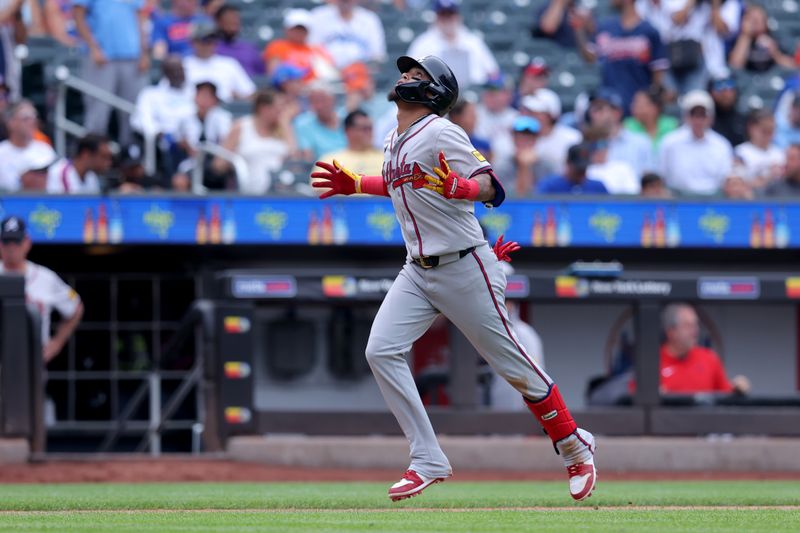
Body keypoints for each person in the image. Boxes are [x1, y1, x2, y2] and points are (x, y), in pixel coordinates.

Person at [312, 55, 597, 502]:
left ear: (434, 92)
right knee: (380, 350)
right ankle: (427, 459)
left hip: (465, 265)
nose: (406, 76)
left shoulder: (443, 131)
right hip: (417, 268)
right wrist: (358, 184)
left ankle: (573, 447)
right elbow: (398, 181)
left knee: (513, 366)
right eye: (407, 72)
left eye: (417, 75)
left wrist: (463, 188)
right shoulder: (394, 138)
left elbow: (492, 188)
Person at [0, 216, 84, 364]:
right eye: (7, 241)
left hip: (32, 359)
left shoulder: (46, 277)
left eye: (16, 241)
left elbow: (75, 307)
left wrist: (56, 344)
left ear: (27, 243)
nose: (12, 247)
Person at [73, 0, 149, 147]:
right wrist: (93, 47)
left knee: (134, 114)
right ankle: (92, 156)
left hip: (132, 57)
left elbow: (140, 18)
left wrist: (144, 52)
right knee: (98, 113)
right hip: (102, 58)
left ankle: (130, 158)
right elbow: (78, 16)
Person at [574, 0, 668, 115]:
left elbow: (658, 77)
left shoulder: (650, 31)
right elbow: (590, 58)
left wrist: (648, 104)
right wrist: (579, 29)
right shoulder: (606, 27)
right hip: (610, 103)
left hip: (638, 106)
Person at [213, 88, 294, 194]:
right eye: (278, 109)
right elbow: (219, 164)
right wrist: (235, 162)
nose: (282, 113)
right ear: (264, 108)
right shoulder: (241, 127)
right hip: (249, 191)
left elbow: (294, 156)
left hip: (282, 189)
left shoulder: (283, 128)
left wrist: (285, 125)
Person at [656, 303, 750, 394]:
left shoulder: (709, 358)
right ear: (671, 332)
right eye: (688, 326)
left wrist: (738, 388)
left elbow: (726, 395)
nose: (695, 331)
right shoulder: (652, 363)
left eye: (695, 325)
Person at [406, 0, 499, 89]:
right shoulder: (422, 43)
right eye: (443, 14)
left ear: (457, 16)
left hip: (473, 96)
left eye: (450, 14)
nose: (447, 19)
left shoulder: (473, 41)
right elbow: (408, 76)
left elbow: (493, 72)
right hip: (436, 96)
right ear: (436, 17)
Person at [658, 89, 733, 195]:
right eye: (693, 114)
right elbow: (662, 175)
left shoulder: (722, 145)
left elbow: (726, 179)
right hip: (678, 201)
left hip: (714, 201)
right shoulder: (670, 142)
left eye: (703, 115)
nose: (698, 120)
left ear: (711, 118)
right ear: (685, 116)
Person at [183, 22, 255, 102]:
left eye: (211, 41)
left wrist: (238, 96)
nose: (208, 44)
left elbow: (250, 93)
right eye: (204, 40)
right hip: (189, 111)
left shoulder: (229, 64)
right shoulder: (183, 65)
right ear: (192, 42)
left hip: (225, 111)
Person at [519, 88, 582, 178]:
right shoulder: (520, 138)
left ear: (551, 115)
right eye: (529, 112)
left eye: (536, 112)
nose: (530, 115)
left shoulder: (573, 138)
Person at [262, 8, 337, 84]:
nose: (299, 32)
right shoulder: (278, 46)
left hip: (316, 85)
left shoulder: (317, 49)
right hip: (290, 86)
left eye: (302, 29)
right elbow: (274, 73)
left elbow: (331, 73)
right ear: (287, 29)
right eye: (296, 29)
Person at [307, 0, 386, 69]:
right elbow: (312, 49)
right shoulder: (318, 16)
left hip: (360, 73)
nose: (345, 1)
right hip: (327, 72)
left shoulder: (370, 19)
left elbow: (376, 55)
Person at [0, 100, 57, 192]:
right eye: (26, 118)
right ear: (11, 123)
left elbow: (56, 187)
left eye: (34, 118)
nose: (32, 122)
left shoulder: (45, 150)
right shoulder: (1, 153)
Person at [728, 3, 795, 72]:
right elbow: (735, 66)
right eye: (751, 20)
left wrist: (775, 54)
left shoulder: (775, 37)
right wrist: (746, 36)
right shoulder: (737, 37)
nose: (754, 24)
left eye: (758, 20)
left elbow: (793, 66)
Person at [318, 109, 383, 178]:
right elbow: (320, 187)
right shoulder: (330, 160)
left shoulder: (385, 157)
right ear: (348, 131)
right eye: (364, 128)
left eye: (370, 128)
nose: (369, 132)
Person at [293, 82, 346, 162]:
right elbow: (308, 157)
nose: (319, 106)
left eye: (323, 100)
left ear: (333, 99)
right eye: (314, 101)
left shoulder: (346, 118)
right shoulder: (303, 124)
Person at [734, 109, 785, 189]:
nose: (768, 135)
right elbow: (737, 187)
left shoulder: (779, 153)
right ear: (752, 128)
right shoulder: (740, 152)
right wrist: (768, 177)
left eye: (771, 131)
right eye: (764, 130)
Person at [46, 133, 112, 193]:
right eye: (103, 157)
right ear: (86, 154)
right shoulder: (59, 173)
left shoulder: (92, 177)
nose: (109, 163)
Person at [537, 142, 610, 195]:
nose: (581, 173)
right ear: (568, 163)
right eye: (578, 170)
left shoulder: (597, 187)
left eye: (583, 169)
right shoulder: (550, 186)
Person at [623, 87, 679, 155]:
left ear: (654, 107)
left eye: (638, 103)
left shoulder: (671, 126)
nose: (633, 106)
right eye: (634, 103)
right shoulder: (627, 126)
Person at [213, 3, 264, 77]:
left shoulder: (250, 48)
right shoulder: (210, 47)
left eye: (235, 21)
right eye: (228, 21)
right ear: (218, 22)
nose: (232, 25)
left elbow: (261, 76)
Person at [709, 76, 746, 147]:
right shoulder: (704, 119)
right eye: (719, 87)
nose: (725, 93)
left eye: (729, 87)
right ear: (710, 92)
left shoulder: (743, 119)